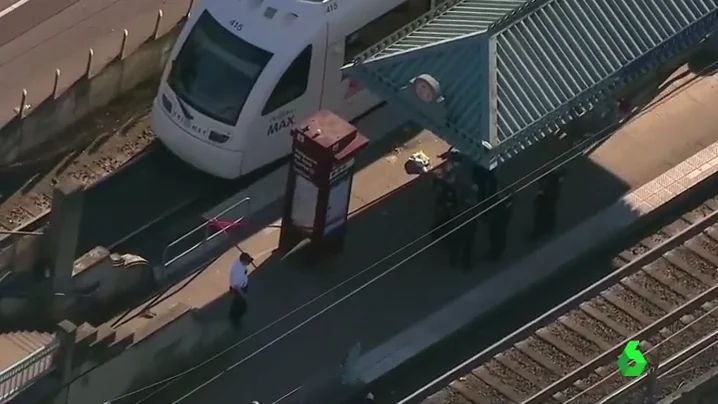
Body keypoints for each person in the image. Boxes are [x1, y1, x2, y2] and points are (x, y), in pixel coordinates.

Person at [528, 167, 566, 240]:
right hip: (551, 197)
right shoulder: (556, 180)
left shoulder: (550, 180)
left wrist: (540, 195)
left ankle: (538, 232)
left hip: (547, 198)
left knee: (540, 214)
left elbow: (542, 189)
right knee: (550, 211)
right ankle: (549, 228)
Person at [449, 184, 480, 269]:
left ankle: (455, 261)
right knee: (464, 246)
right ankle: (463, 263)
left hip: (461, 227)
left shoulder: (459, 204)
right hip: (466, 227)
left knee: (459, 245)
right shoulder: (469, 205)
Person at [431, 164, 458, 243]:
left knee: (445, 220)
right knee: (444, 220)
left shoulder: (446, 185)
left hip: (446, 205)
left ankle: (440, 234)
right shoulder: (445, 184)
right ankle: (439, 235)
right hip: (445, 205)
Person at [485, 192, 513, 261]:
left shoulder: (504, 201)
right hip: (498, 219)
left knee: (498, 234)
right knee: (495, 234)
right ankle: (495, 251)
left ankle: (496, 253)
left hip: (500, 219)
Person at [228, 252, 253, 330]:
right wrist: (243, 295)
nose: (249, 263)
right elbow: (236, 286)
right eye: (248, 262)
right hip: (239, 289)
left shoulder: (239, 263)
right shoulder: (238, 272)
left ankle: (232, 314)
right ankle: (235, 321)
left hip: (241, 286)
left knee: (236, 302)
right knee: (242, 307)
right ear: (243, 261)